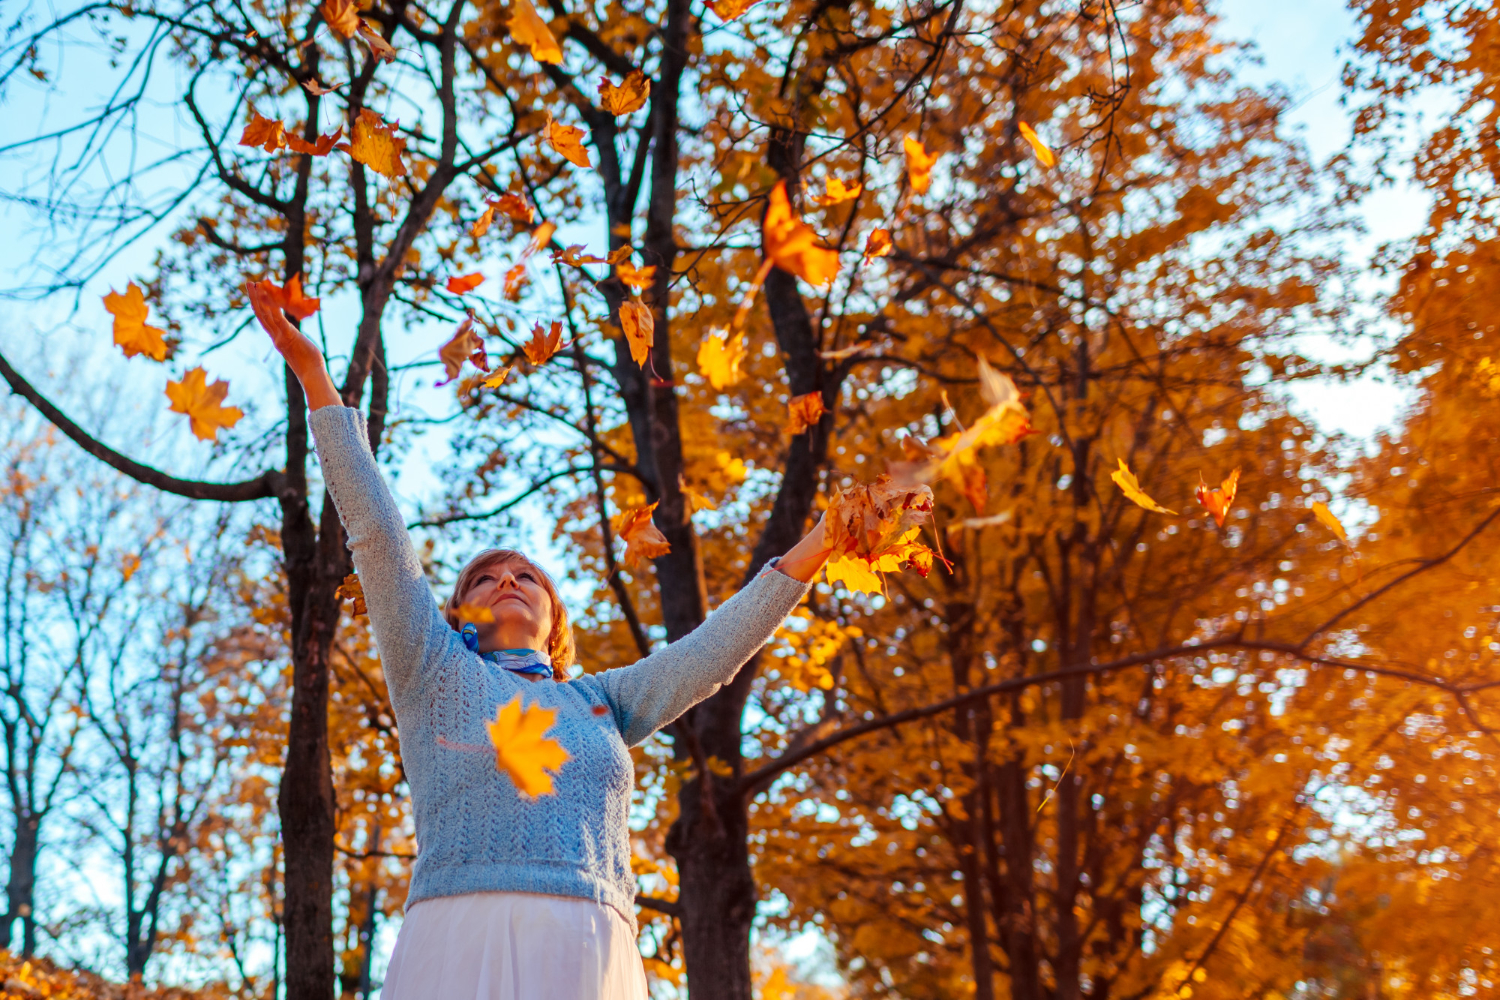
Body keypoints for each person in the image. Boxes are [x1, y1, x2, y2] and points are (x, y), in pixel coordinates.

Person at [247, 284, 833, 1000]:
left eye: (527, 575)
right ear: (460, 610)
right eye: (485, 577)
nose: (508, 580)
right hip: (461, 932)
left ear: (556, 620)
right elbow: (378, 536)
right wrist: (315, 378)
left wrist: (825, 540)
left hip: (589, 944)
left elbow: (713, 652)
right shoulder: (434, 669)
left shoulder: (604, 702)